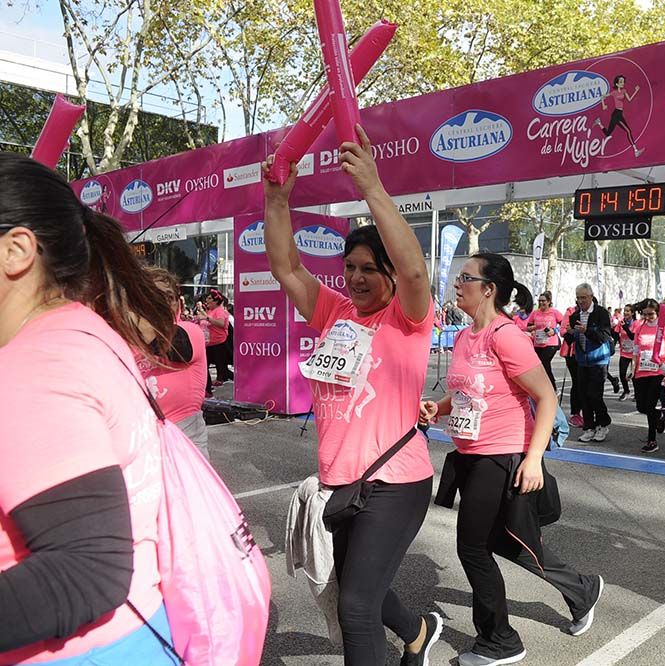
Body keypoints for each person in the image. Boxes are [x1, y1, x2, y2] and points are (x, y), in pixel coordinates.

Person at [262, 127, 441, 666]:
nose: (357, 279)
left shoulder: (408, 317)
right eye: (351, 268)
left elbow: (414, 269)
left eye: (370, 269)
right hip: (341, 481)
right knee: (362, 587)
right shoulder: (335, 311)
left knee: (356, 608)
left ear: (390, 274)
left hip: (396, 481)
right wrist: (277, 199)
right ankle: (417, 632)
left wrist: (372, 188)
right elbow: (286, 267)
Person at [0, 153, 179, 663]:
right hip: (136, 636)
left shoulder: (34, 364)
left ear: (16, 250)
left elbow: (87, 567)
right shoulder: (83, 330)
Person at [420, 253, 602, 666]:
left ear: (489, 289)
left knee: (472, 548)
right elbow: (466, 392)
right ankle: (581, 589)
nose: (457, 284)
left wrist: (533, 459)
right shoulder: (465, 336)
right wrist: (438, 407)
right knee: (505, 540)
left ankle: (499, 642)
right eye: (458, 277)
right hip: (469, 454)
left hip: (502, 455)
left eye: (466, 278)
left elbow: (546, 396)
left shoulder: (507, 336)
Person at [136, 266, 211, 459]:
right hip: (140, 439)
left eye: (167, 297)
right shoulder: (129, 339)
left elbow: (162, 341)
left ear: (178, 304)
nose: (160, 303)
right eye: (151, 295)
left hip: (185, 439)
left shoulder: (190, 331)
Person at [567, 284, 614, 443]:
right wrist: (569, 333)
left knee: (594, 395)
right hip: (582, 360)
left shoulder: (601, 313)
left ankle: (603, 423)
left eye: (584, 298)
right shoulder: (575, 315)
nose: (581, 301)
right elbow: (572, 338)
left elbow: (604, 336)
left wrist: (586, 330)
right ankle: (589, 427)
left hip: (599, 360)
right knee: (583, 395)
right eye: (578, 298)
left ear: (591, 297)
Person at [628, 299, 665, 453]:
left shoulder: (664, 328)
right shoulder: (640, 326)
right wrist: (632, 369)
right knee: (641, 406)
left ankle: (652, 440)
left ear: (657, 312)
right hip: (641, 370)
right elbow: (636, 350)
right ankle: (660, 414)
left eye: (650, 314)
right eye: (644, 314)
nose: (647, 317)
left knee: (650, 406)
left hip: (657, 371)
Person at [593, 75, 644, 158]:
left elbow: (629, 99)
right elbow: (603, 96)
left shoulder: (624, 91)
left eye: (623, 81)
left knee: (608, 133)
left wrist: (636, 91)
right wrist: (603, 105)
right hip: (616, 114)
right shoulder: (614, 92)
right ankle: (635, 151)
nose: (622, 83)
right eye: (620, 82)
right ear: (617, 84)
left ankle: (599, 122)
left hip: (619, 113)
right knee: (628, 131)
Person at [195, 289, 231, 394]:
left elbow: (221, 323)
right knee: (207, 366)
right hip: (209, 343)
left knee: (218, 365)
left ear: (216, 301)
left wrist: (206, 318)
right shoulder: (210, 310)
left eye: (209, 298)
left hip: (218, 342)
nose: (207, 300)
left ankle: (210, 387)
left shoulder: (219, 310)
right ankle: (209, 387)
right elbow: (205, 320)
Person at [526, 291, 562, 390]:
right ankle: (545, 388)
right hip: (538, 343)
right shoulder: (535, 313)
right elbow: (528, 326)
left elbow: (564, 324)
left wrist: (554, 331)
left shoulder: (554, 312)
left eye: (543, 301)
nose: (541, 303)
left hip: (551, 343)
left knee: (543, 363)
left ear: (549, 301)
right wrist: (532, 328)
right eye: (539, 301)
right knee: (540, 366)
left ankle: (552, 388)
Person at [561, 304, 582, 426]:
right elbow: (563, 331)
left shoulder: (594, 312)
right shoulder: (570, 311)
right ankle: (575, 413)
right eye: (579, 298)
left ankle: (587, 413)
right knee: (577, 382)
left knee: (587, 383)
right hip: (572, 352)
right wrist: (573, 332)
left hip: (588, 352)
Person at [616, 303, 637, 400]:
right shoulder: (621, 322)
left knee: (634, 375)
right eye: (624, 311)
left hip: (634, 353)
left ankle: (637, 393)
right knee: (622, 373)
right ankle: (626, 391)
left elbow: (633, 336)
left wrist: (625, 328)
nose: (625, 313)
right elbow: (616, 333)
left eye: (628, 311)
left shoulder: (636, 323)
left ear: (632, 313)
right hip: (624, 352)